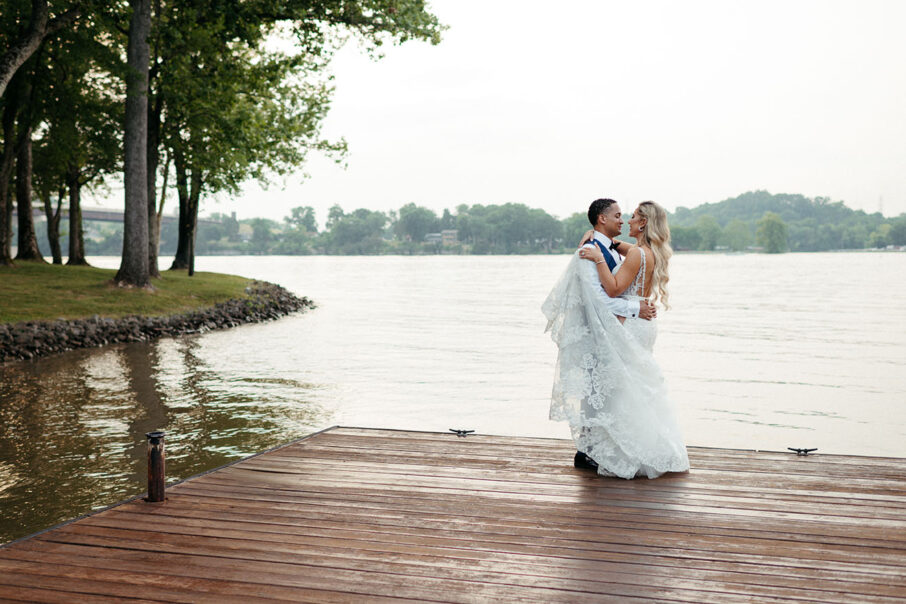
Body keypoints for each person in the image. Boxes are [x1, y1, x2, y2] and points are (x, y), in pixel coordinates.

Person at [542, 199, 689, 479]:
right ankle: (640, 444)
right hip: (642, 322)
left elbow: (612, 290)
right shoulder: (644, 251)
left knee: (622, 388)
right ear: (601, 219)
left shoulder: (634, 254)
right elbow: (615, 247)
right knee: (635, 387)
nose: (626, 221)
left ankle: (622, 449)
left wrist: (598, 258)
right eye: (620, 216)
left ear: (643, 223)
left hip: (632, 322)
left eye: (631, 217)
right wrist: (593, 242)